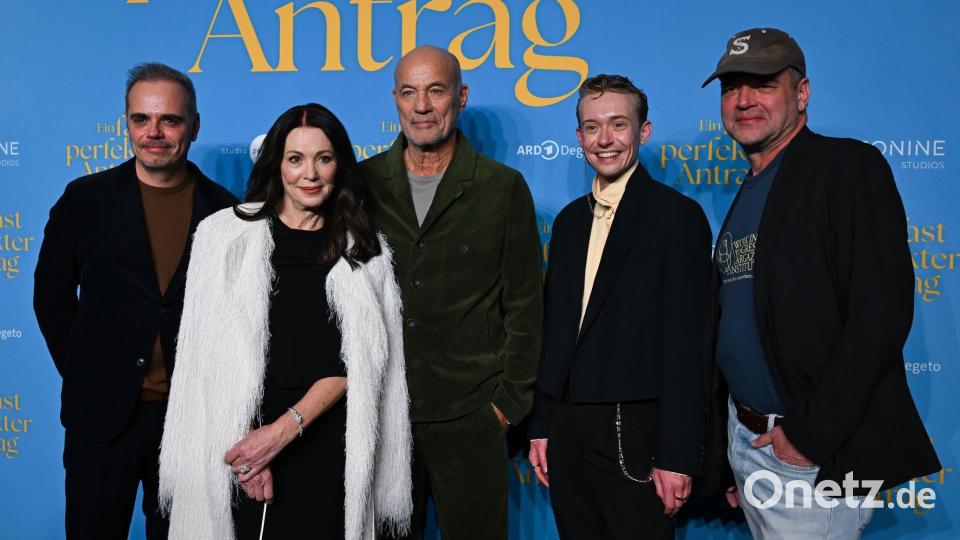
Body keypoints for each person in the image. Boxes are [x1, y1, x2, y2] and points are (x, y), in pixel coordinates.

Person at [701, 27, 941, 537]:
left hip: (808, 453)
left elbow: (880, 315)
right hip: (748, 439)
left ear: (802, 93)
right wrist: (734, 450)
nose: (743, 100)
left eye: (762, 83)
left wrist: (807, 437)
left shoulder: (846, 168)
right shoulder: (749, 190)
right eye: (731, 87)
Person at [157, 103, 412, 540]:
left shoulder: (367, 254)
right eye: (295, 159)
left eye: (324, 158)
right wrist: (249, 452)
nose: (309, 173)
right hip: (235, 442)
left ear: (340, 166)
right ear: (277, 164)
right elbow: (202, 361)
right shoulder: (223, 238)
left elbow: (364, 366)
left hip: (328, 444)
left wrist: (279, 434)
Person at [33, 63, 238, 539]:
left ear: (194, 125)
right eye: (141, 119)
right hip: (101, 418)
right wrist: (89, 369)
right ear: (125, 123)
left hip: (190, 424)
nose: (154, 133)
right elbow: (51, 299)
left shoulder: (225, 211)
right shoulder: (85, 200)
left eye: (170, 120)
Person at [360, 46, 543, 539]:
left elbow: (526, 304)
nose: (422, 106)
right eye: (409, 92)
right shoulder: (361, 185)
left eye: (436, 90)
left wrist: (505, 407)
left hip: (471, 415)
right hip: (382, 417)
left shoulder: (502, 188)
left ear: (460, 97)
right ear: (395, 100)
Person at [527, 74, 713, 539]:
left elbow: (689, 346)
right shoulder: (569, 222)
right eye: (592, 127)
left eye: (618, 125)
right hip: (568, 430)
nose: (604, 139)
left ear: (643, 131)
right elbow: (558, 332)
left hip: (632, 430)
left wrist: (677, 455)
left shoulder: (678, 218)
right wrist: (543, 423)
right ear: (579, 137)